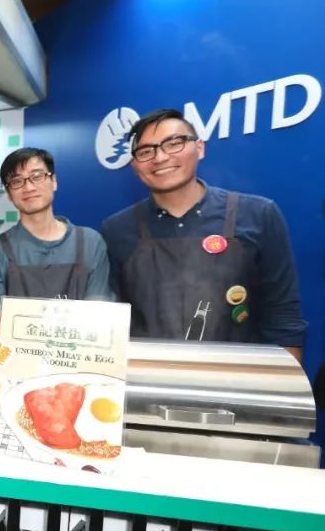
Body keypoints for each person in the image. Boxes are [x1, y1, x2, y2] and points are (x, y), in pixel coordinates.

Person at [101, 108, 306, 358]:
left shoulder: (258, 215)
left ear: (199, 147)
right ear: (135, 165)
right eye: (146, 151)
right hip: (146, 374)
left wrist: (284, 380)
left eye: (173, 143)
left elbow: (283, 316)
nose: (160, 157)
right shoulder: (116, 229)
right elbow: (108, 323)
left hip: (237, 374)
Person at [0, 147, 112, 334]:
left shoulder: (90, 243)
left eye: (37, 176)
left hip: (79, 349)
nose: (29, 187)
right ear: (8, 193)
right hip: (16, 353)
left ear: (54, 181)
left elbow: (99, 314)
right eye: (17, 181)